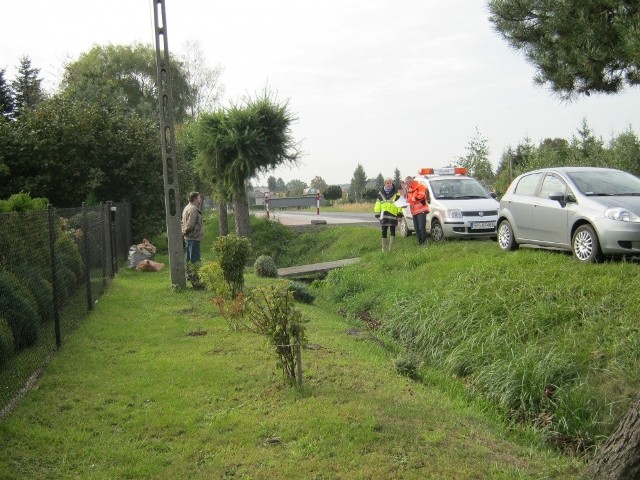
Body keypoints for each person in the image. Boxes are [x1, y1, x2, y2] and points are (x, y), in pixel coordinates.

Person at [181, 191, 204, 286]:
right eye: (199, 198)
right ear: (194, 199)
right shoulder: (193, 209)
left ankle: (190, 276)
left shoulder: (187, 207)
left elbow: (184, 222)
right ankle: (196, 281)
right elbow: (190, 224)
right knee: (195, 260)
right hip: (193, 237)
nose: (200, 200)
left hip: (189, 237)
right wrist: (185, 231)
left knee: (189, 259)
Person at [374, 178, 403, 252]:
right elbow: (378, 204)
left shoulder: (397, 194)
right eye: (387, 183)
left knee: (392, 231)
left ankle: (391, 249)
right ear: (385, 184)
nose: (389, 184)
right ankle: (384, 249)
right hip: (383, 215)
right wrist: (377, 213)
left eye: (390, 183)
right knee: (384, 231)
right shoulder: (380, 193)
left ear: (392, 183)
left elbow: (399, 205)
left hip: (393, 215)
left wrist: (399, 215)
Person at [405, 176, 429, 245]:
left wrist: (411, 199)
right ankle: (420, 242)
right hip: (414, 211)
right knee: (416, 228)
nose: (406, 185)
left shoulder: (420, 186)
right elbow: (408, 198)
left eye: (407, 183)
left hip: (421, 210)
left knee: (421, 227)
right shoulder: (409, 189)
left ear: (410, 182)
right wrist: (406, 202)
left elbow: (421, 196)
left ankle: (424, 243)